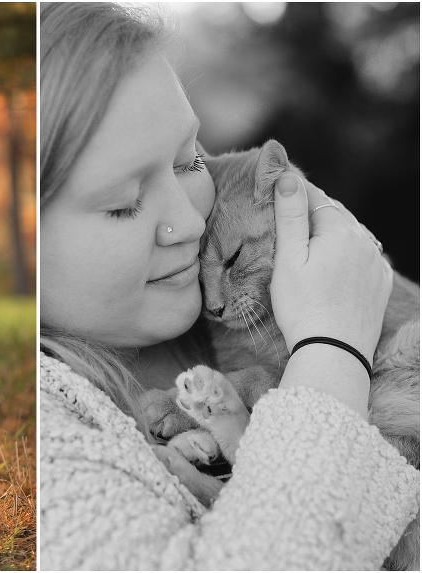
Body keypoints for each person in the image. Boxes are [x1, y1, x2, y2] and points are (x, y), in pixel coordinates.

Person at [39, 3, 418, 570]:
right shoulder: (47, 433)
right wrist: (333, 353)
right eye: (124, 205)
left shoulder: (231, 304)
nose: (191, 224)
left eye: (190, 160)